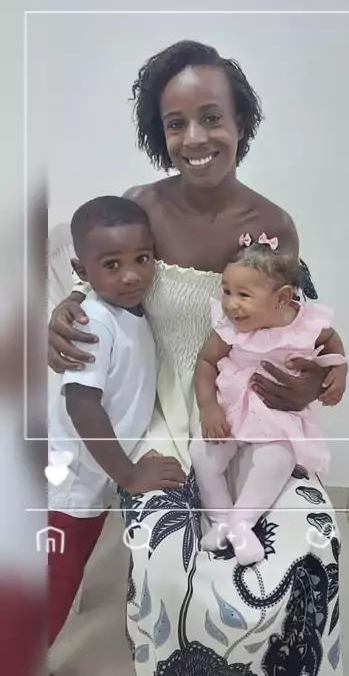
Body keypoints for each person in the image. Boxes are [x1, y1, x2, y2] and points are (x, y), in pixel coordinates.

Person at [48, 40, 347, 675]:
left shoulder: (273, 226)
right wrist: (66, 310)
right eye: (174, 123)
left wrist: (310, 385)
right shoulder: (141, 206)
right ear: (158, 135)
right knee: (165, 559)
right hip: (157, 411)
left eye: (212, 117)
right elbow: (98, 284)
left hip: (249, 408)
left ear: (241, 121)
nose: (195, 137)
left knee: (308, 542)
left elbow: (298, 326)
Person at [47, 195, 185, 649]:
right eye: (111, 264)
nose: (131, 275)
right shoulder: (94, 322)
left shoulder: (132, 311)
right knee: (49, 591)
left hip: (88, 480)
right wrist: (129, 474)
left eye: (142, 259)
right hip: (68, 489)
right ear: (82, 270)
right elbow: (81, 404)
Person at [191, 233, 347, 566]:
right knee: (202, 454)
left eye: (244, 295)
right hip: (233, 403)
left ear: (282, 298)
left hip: (277, 410)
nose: (231, 304)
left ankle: (242, 523)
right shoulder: (229, 327)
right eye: (227, 291)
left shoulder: (306, 325)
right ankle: (220, 519)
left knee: (278, 457)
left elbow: (333, 344)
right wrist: (208, 407)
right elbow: (205, 362)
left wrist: (339, 371)